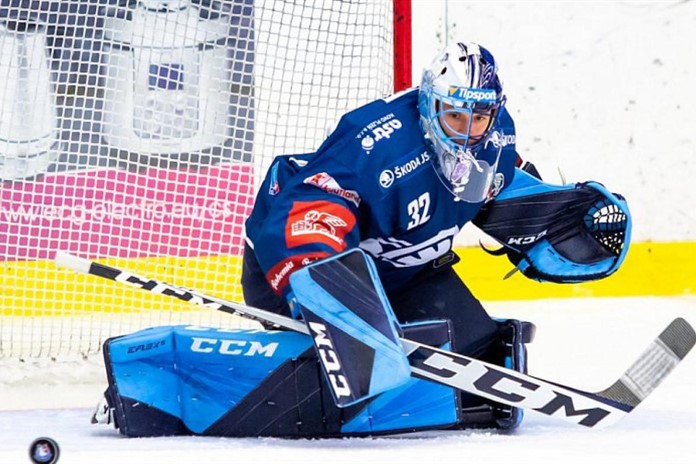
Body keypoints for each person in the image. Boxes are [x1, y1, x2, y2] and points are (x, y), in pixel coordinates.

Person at [93, 41, 629, 438]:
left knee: (474, 359)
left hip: (408, 272)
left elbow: (497, 190)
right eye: (455, 115)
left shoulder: (497, 132)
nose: (469, 130)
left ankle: (383, 361)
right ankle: (152, 382)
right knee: (340, 386)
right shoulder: (377, 143)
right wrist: (331, 289)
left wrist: (560, 220)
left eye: (480, 116)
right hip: (304, 267)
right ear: (429, 104)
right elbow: (311, 207)